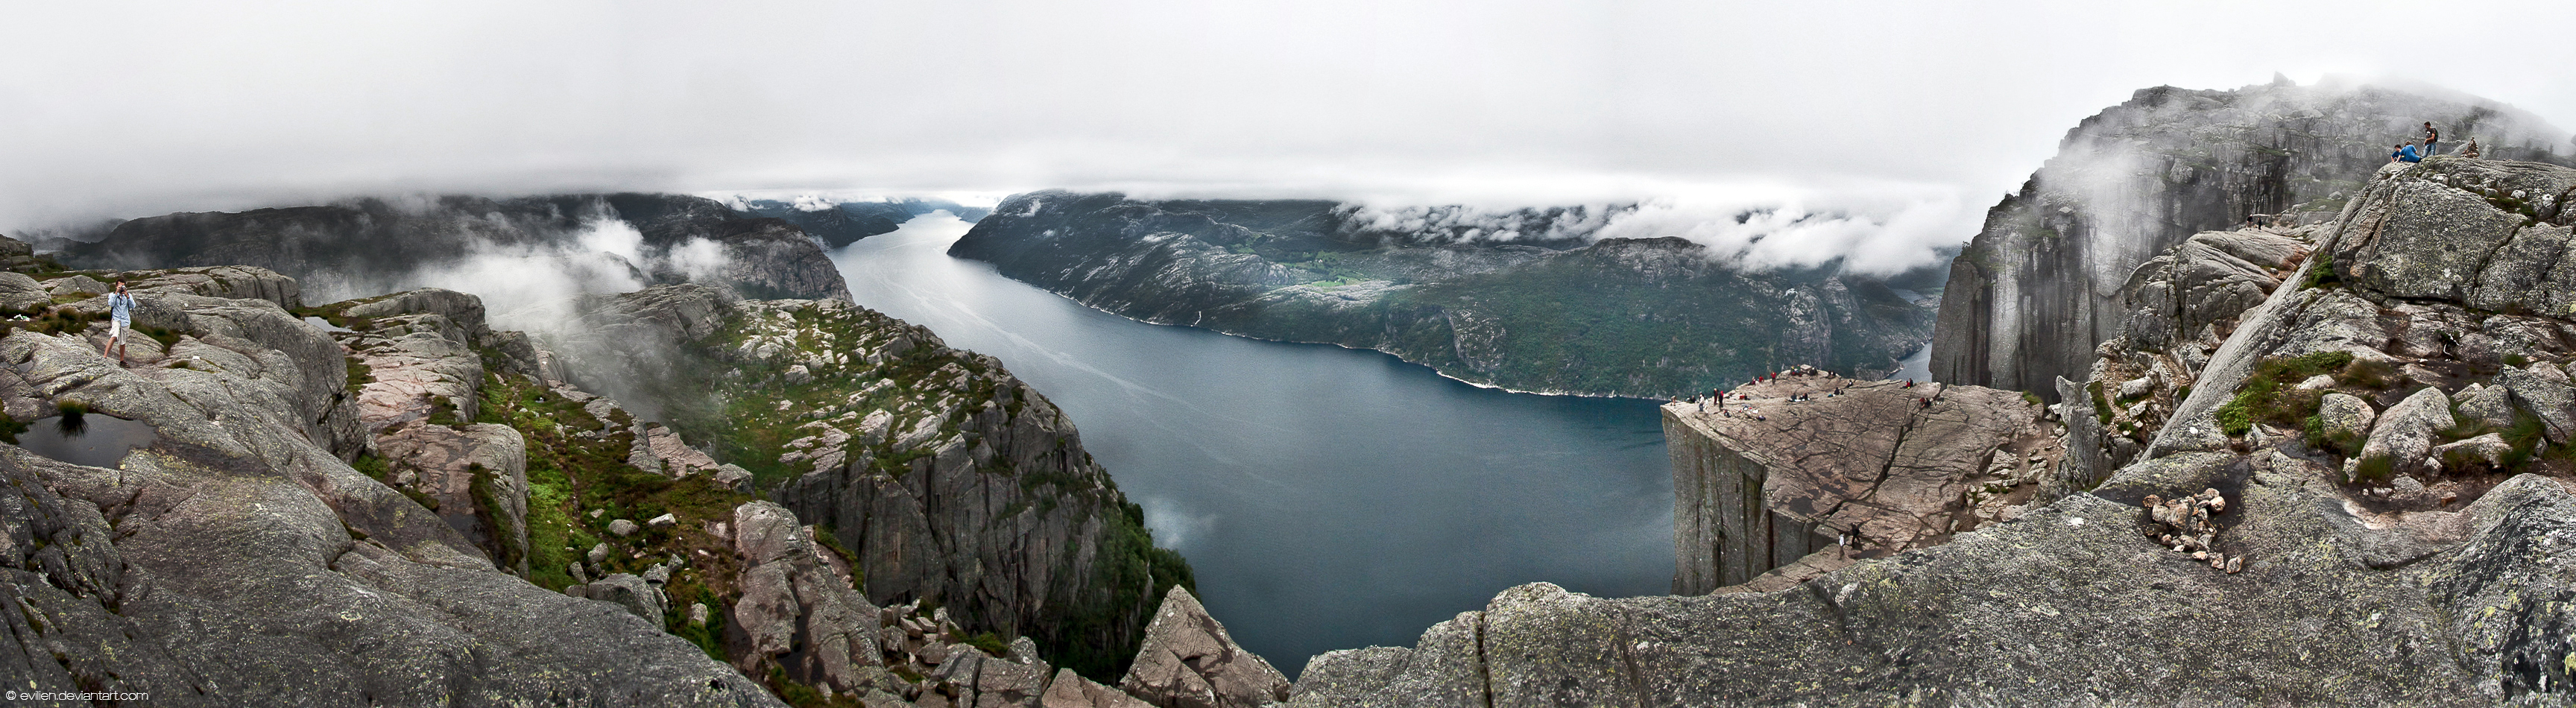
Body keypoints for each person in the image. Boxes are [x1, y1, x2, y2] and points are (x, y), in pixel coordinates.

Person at [104, 281, 136, 367]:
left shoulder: (128, 295)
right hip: (116, 319)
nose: (122, 287)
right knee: (115, 335)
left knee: (122, 341)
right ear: (116, 286)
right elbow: (110, 304)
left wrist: (128, 297)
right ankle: (104, 357)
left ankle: (122, 361)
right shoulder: (112, 295)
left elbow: (133, 306)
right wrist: (116, 293)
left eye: (123, 286)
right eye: (120, 286)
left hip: (125, 320)